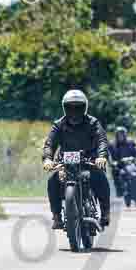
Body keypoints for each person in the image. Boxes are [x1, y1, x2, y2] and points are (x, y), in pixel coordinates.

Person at [42, 89, 111, 230]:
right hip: (65, 162)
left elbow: (102, 140)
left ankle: (105, 212)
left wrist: (101, 156)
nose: (74, 111)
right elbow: (50, 144)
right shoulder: (59, 124)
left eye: (77, 107)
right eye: (70, 108)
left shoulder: (93, 123)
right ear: (65, 108)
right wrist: (48, 159)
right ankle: (56, 216)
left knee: (100, 177)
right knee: (53, 181)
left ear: (84, 107)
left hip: (89, 161)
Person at [108, 126, 136, 207]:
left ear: (125, 135)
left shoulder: (131, 142)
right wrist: (112, 163)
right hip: (119, 165)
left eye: (122, 134)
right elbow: (109, 156)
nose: (121, 136)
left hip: (131, 164)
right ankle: (119, 190)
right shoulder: (112, 144)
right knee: (116, 173)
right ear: (116, 135)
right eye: (119, 134)